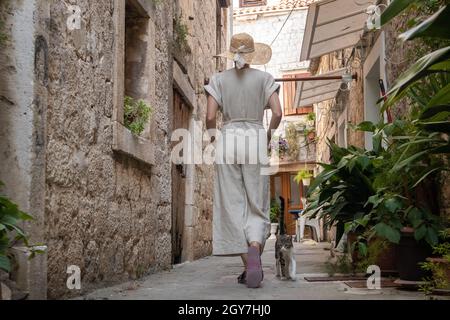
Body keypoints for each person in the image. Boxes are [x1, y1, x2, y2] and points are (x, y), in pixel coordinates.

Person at [204, 33, 282, 288]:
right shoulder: (264, 78)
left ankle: (248, 263)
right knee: (256, 203)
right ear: (251, 55)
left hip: (229, 138)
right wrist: (267, 135)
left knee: (233, 203)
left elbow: (209, 117)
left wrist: (217, 140)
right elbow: (278, 113)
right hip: (255, 138)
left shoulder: (218, 80)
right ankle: (256, 247)